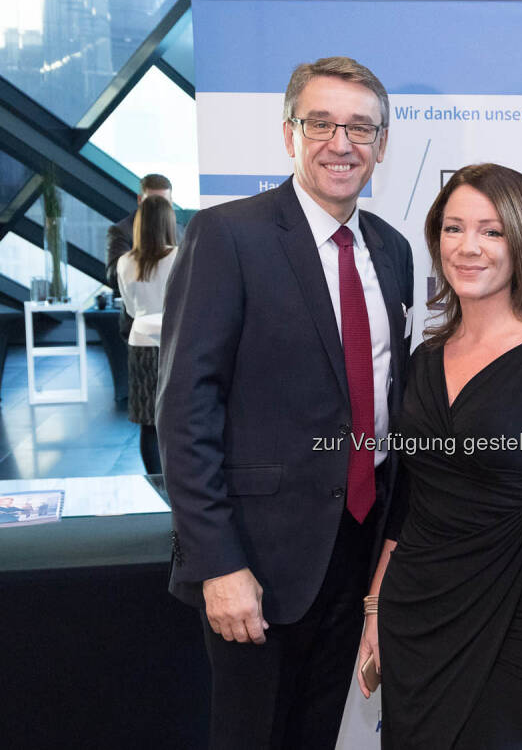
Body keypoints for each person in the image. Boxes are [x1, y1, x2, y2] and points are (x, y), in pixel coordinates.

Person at [156, 56, 413, 749]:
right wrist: (218, 562)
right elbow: (184, 411)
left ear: (382, 145)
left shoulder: (391, 250)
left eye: (361, 128)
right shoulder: (228, 237)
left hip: (357, 550)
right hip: (257, 562)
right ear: (289, 133)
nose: (342, 143)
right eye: (321, 123)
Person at [360, 164, 522, 748]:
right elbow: (409, 500)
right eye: (453, 229)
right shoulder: (423, 358)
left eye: (491, 231)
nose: (468, 247)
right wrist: (375, 607)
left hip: (513, 613)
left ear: (520, 242)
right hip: (413, 613)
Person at [116, 195, 177, 474]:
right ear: (167, 223)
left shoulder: (125, 262)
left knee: (147, 422)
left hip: (139, 343)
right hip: (174, 343)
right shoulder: (179, 256)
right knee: (178, 419)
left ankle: (156, 482)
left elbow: (128, 307)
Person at [106, 174, 175, 340]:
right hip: (137, 326)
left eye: (162, 203)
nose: (156, 208)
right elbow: (113, 276)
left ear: (171, 202)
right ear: (140, 200)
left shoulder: (179, 231)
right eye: (151, 202)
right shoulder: (122, 231)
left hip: (172, 327)